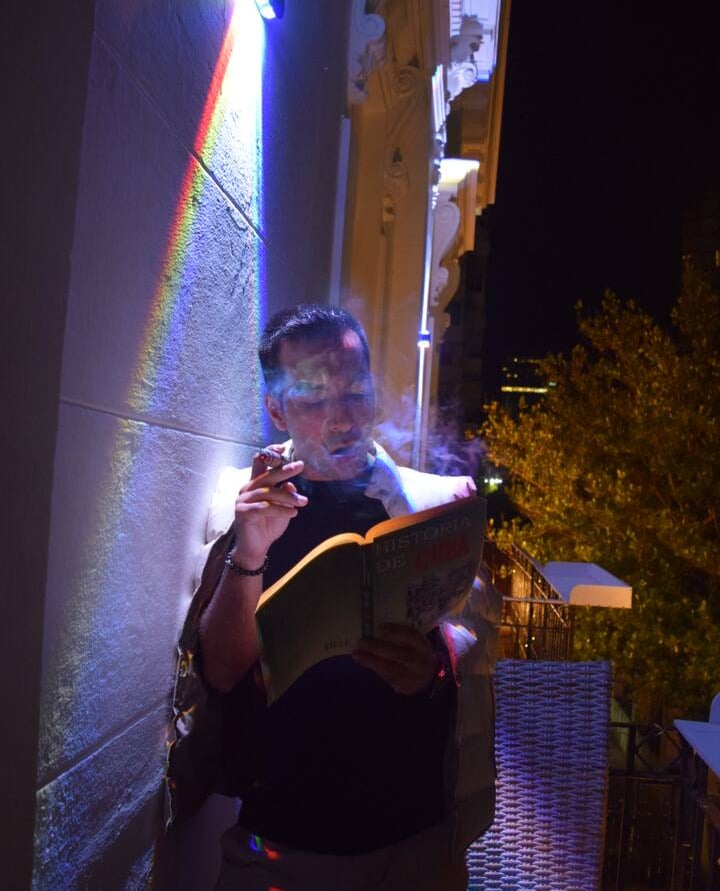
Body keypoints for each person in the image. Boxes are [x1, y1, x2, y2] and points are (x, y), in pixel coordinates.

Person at [167, 305, 498, 891]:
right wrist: (250, 550)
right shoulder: (246, 505)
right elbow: (218, 673)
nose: (342, 419)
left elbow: (474, 672)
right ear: (276, 409)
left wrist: (433, 673)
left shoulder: (427, 505)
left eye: (356, 393)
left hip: (414, 847)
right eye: (314, 397)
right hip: (277, 847)